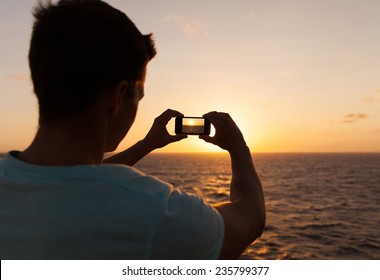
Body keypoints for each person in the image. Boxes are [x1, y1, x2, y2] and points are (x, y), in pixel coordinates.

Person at [0, 0, 265, 259]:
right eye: (139, 95)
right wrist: (238, 148)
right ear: (118, 96)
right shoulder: (155, 213)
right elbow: (249, 218)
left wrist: (147, 144)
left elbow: (71, 179)